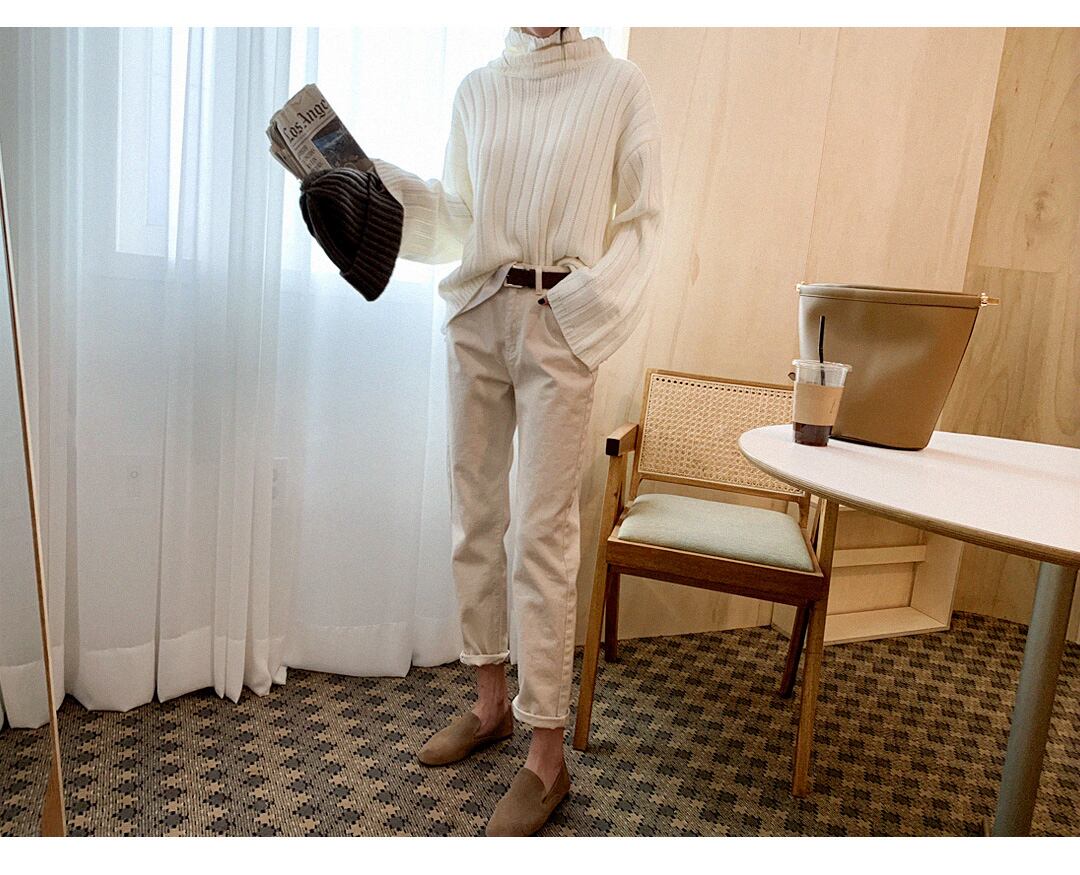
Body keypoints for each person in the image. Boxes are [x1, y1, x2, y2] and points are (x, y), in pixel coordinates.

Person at [370, 25, 664, 836]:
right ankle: (490, 702)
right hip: (476, 312)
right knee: (474, 515)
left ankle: (546, 754)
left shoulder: (619, 85)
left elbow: (646, 221)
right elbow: (457, 219)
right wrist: (375, 185)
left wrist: (582, 315)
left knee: (541, 531)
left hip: (558, 318)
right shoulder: (478, 87)